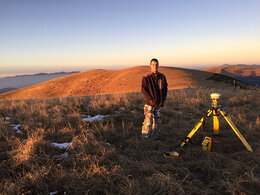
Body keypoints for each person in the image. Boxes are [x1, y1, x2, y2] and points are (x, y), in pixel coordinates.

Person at [141, 58, 168, 140]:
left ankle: (155, 138)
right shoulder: (146, 77)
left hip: (159, 104)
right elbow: (143, 90)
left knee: (158, 122)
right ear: (150, 66)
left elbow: (165, 89)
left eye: (156, 64)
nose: (155, 66)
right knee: (148, 122)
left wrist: (162, 100)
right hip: (149, 104)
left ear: (158, 65)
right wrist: (150, 100)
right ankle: (144, 138)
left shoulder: (162, 77)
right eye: (153, 64)